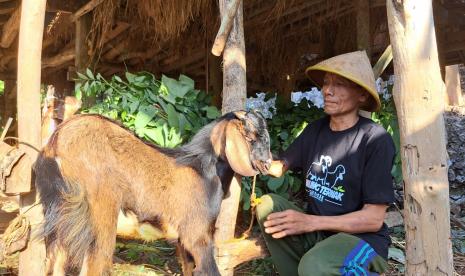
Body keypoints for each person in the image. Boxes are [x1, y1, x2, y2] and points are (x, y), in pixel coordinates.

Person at [257, 50, 395, 276]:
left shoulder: (374, 140)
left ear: (361, 95)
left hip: (362, 241)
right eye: (326, 83)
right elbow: (278, 166)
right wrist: (251, 153)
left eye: (339, 85)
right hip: (322, 235)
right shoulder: (316, 130)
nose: (327, 91)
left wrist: (310, 222)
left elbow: (373, 219)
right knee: (268, 206)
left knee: (314, 266)